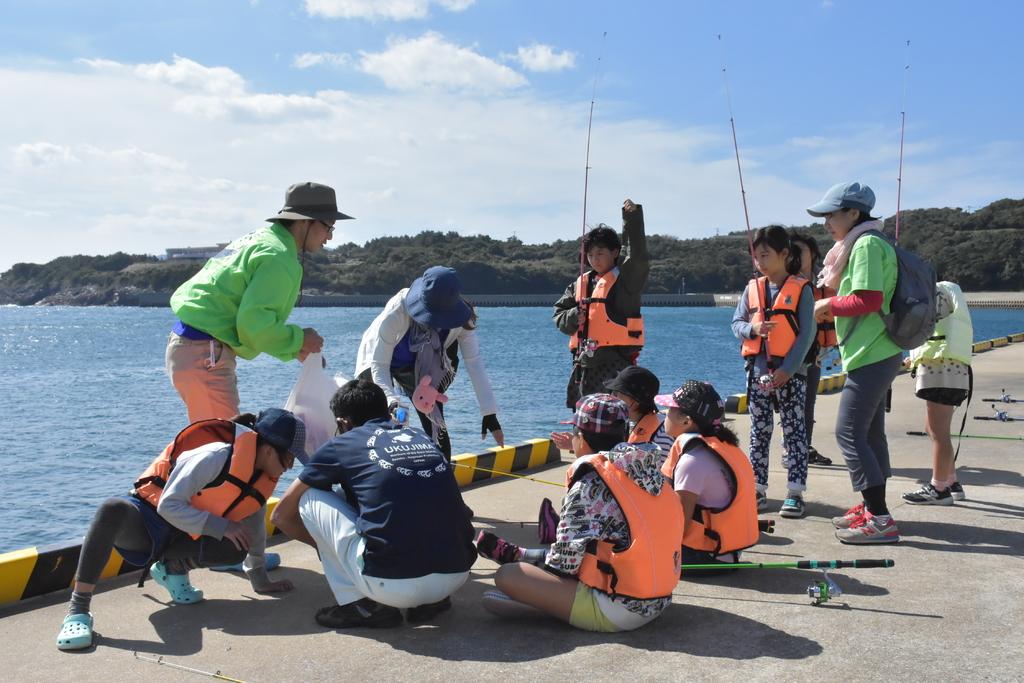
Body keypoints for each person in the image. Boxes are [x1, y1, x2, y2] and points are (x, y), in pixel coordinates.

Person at [56, 409, 303, 651]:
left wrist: (260, 580)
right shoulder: (214, 457)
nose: (290, 467)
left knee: (237, 544)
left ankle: (173, 569)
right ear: (269, 450)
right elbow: (168, 506)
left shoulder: (260, 479)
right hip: (148, 522)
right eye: (289, 458)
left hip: (183, 535)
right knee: (111, 509)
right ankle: (78, 611)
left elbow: (254, 527)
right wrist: (220, 525)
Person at [271, 379, 477, 629]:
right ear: (384, 410)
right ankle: (432, 602)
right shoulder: (419, 437)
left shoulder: (341, 444)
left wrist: (328, 549)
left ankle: (362, 606)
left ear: (342, 422)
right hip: (456, 575)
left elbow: (281, 514)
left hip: (392, 586)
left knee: (310, 497)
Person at [477, 394, 683, 633]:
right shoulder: (650, 471)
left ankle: (544, 603)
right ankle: (523, 558)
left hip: (619, 609)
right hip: (660, 599)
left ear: (581, 439)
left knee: (507, 576)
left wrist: (528, 565)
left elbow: (563, 566)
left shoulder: (588, 486)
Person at [166, 181, 350, 424]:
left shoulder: (262, 239)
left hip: (192, 349)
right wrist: (299, 340)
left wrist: (295, 347)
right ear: (305, 221)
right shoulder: (278, 257)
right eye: (328, 226)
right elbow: (254, 325)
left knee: (210, 445)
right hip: (205, 353)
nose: (330, 236)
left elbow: (251, 320)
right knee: (227, 447)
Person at [809, 181, 903, 544]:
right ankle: (872, 507)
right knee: (868, 433)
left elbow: (867, 299)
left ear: (853, 213)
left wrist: (826, 306)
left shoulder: (864, 245)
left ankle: (880, 519)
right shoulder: (869, 242)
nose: (826, 222)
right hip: (877, 351)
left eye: (831, 214)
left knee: (848, 432)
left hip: (872, 353)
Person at [355, 266, 502, 460]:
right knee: (375, 422)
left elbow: (474, 363)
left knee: (435, 425)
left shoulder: (464, 319)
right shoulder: (397, 312)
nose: (435, 322)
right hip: (377, 362)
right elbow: (379, 365)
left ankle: (442, 477)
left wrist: (489, 412)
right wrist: (391, 402)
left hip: (423, 368)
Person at [731, 226, 816, 518]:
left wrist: (789, 370)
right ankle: (757, 489)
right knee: (759, 431)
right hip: (757, 372)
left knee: (794, 431)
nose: (760, 262)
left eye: (765, 255)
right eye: (756, 256)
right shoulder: (751, 289)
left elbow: (807, 334)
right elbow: (736, 324)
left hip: (791, 373)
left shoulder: (802, 289)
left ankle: (795, 492)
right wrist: (752, 329)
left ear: (784, 254)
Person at [553, 199, 649, 409]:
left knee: (616, 415)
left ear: (615, 253)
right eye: (590, 255)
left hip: (617, 362)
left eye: (600, 253)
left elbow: (638, 256)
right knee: (585, 417)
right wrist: (571, 317)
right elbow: (558, 313)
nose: (594, 259)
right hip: (584, 364)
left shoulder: (626, 280)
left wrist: (631, 218)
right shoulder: (580, 283)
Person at [655, 381, 759, 567]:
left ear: (686, 420)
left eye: (669, 409)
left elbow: (679, 524)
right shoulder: (724, 446)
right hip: (725, 552)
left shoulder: (692, 461)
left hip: (704, 555)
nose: (664, 414)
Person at [903, 281, 973, 505]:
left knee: (938, 432)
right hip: (948, 368)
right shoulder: (950, 292)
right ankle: (951, 481)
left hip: (940, 368)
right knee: (933, 429)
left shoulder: (935, 292)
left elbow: (924, 324)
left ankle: (938, 488)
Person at [789, 231, 836, 466]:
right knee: (791, 405)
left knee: (808, 404)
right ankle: (792, 450)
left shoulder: (825, 283)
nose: (796, 255)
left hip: (815, 355)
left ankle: (803, 447)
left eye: (801, 250)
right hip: (790, 356)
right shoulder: (786, 284)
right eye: (792, 250)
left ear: (813, 254)